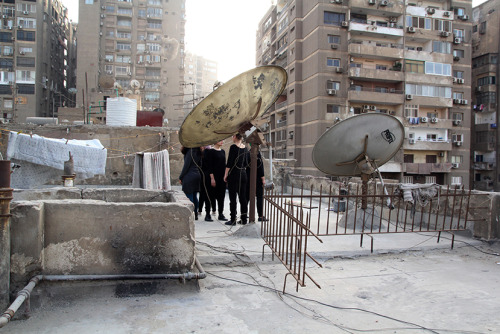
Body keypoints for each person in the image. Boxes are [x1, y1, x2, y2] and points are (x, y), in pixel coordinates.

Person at [224, 133, 249, 226]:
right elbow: (246, 163)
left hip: (234, 174)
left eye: (232, 136)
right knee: (243, 198)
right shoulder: (245, 148)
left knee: (233, 198)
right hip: (243, 174)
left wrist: (225, 174)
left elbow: (229, 163)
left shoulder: (233, 147)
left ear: (235, 137)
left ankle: (233, 219)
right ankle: (243, 219)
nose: (232, 137)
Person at [207, 140, 228, 221]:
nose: (222, 141)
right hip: (214, 177)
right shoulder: (211, 151)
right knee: (212, 195)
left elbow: (224, 164)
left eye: (223, 140)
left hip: (222, 177)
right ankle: (209, 213)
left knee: (221, 196)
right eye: (220, 140)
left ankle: (221, 214)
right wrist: (212, 178)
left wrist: (225, 176)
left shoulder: (223, 151)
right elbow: (210, 166)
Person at [179, 146, 202, 220]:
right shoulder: (198, 151)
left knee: (189, 196)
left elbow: (186, 166)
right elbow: (200, 165)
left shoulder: (190, 151)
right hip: (197, 175)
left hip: (189, 176)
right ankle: (195, 214)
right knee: (194, 195)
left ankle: (190, 214)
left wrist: (181, 177)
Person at [246, 148, 267, 222]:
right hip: (257, 179)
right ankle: (260, 216)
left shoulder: (247, 153)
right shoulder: (257, 153)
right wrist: (263, 178)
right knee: (259, 197)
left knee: (247, 197)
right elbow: (260, 167)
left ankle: (244, 214)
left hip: (248, 178)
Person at [198, 145, 213, 221]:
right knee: (208, 195)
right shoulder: (209, 152)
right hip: (208, 176)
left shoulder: (201, 153)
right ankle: (207, 214)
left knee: (203, 193)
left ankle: (199, 210)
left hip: (202, 175)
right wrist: (212, 177)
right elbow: (210, 167)